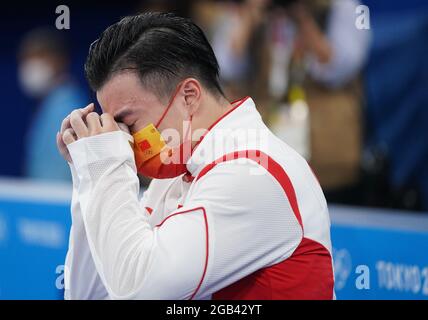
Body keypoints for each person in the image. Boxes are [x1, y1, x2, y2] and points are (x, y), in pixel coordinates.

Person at [57, 12, 334, 300]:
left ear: (188, 96)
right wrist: (88, 169)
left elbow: (136, 291)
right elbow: (89, 295)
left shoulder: (253, 172)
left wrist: (105, 163)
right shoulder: (178, 171)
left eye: (128, 123)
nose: (123, 140)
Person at [18, 27, 88, 181]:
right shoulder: (50, 104)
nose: (31, 65)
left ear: (59, 60)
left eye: (39, 56)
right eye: (26, 58)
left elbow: (57, 174)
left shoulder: (67, 105)